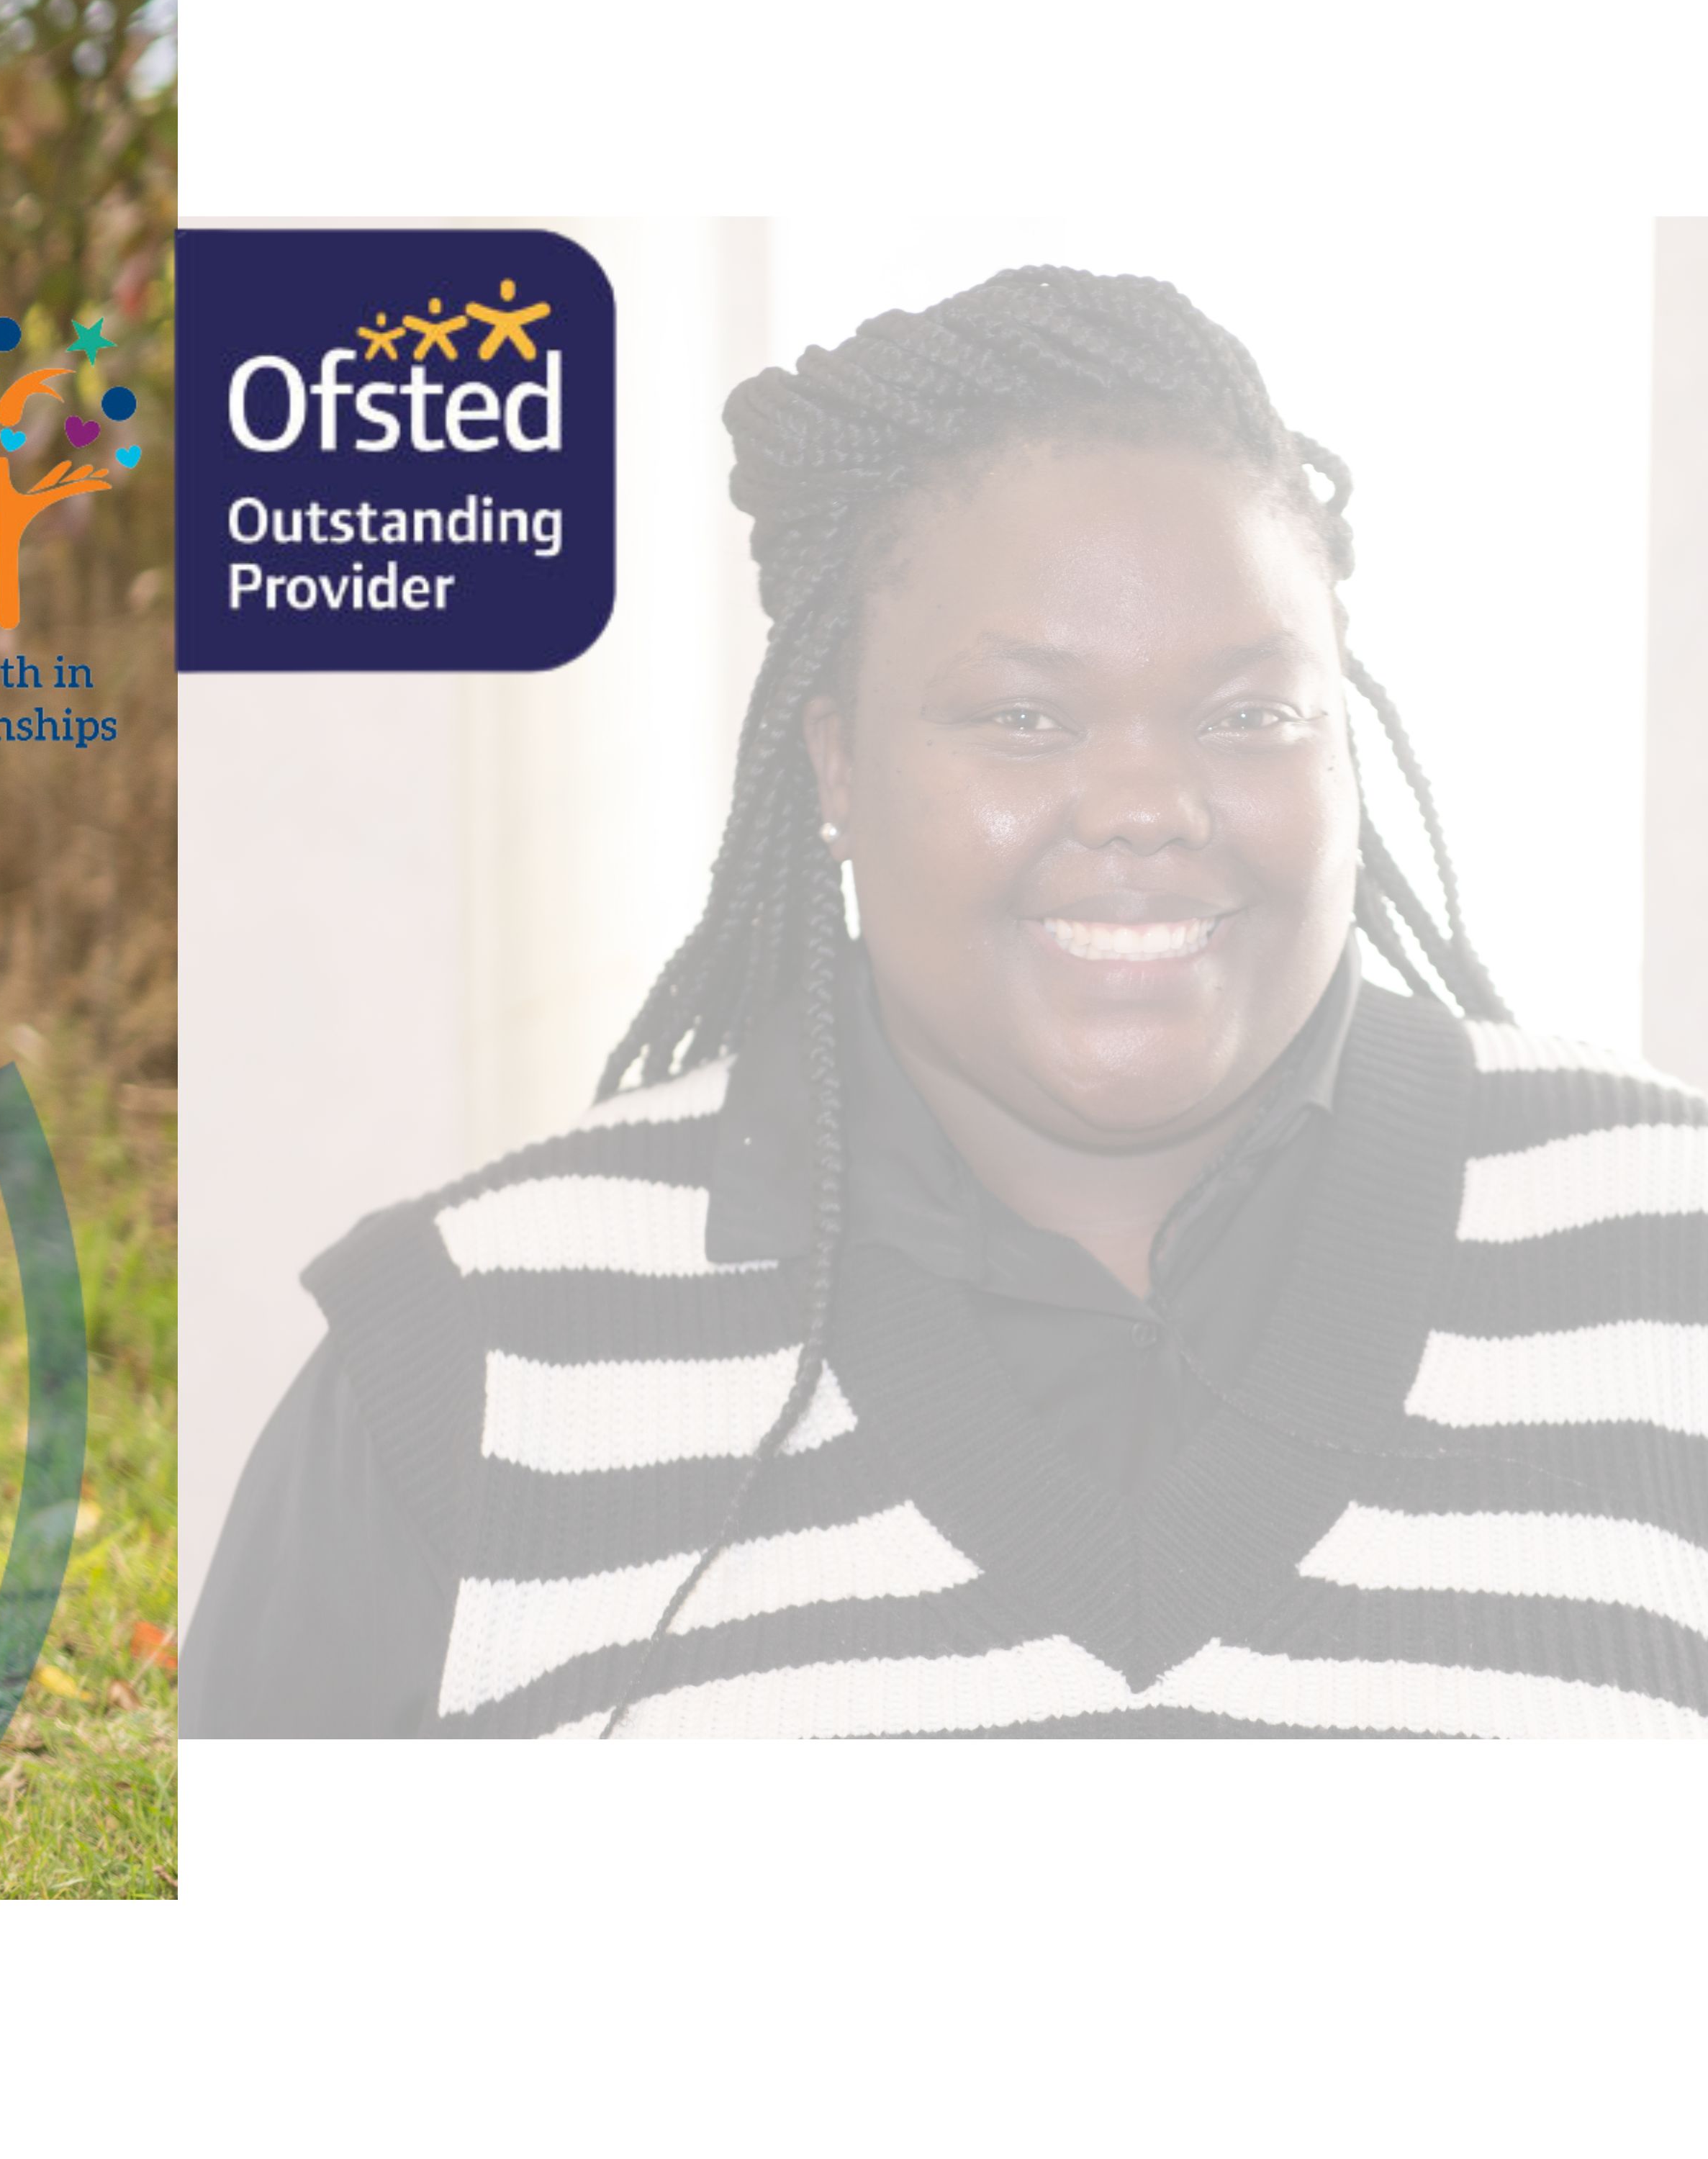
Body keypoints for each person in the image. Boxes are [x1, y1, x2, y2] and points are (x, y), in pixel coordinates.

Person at [189, 266, 1708, 1737]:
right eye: (1023, 717)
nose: (1143, 802)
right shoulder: (467, 1360)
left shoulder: (1672, 1256)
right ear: (836, 761)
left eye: (1249, 713)